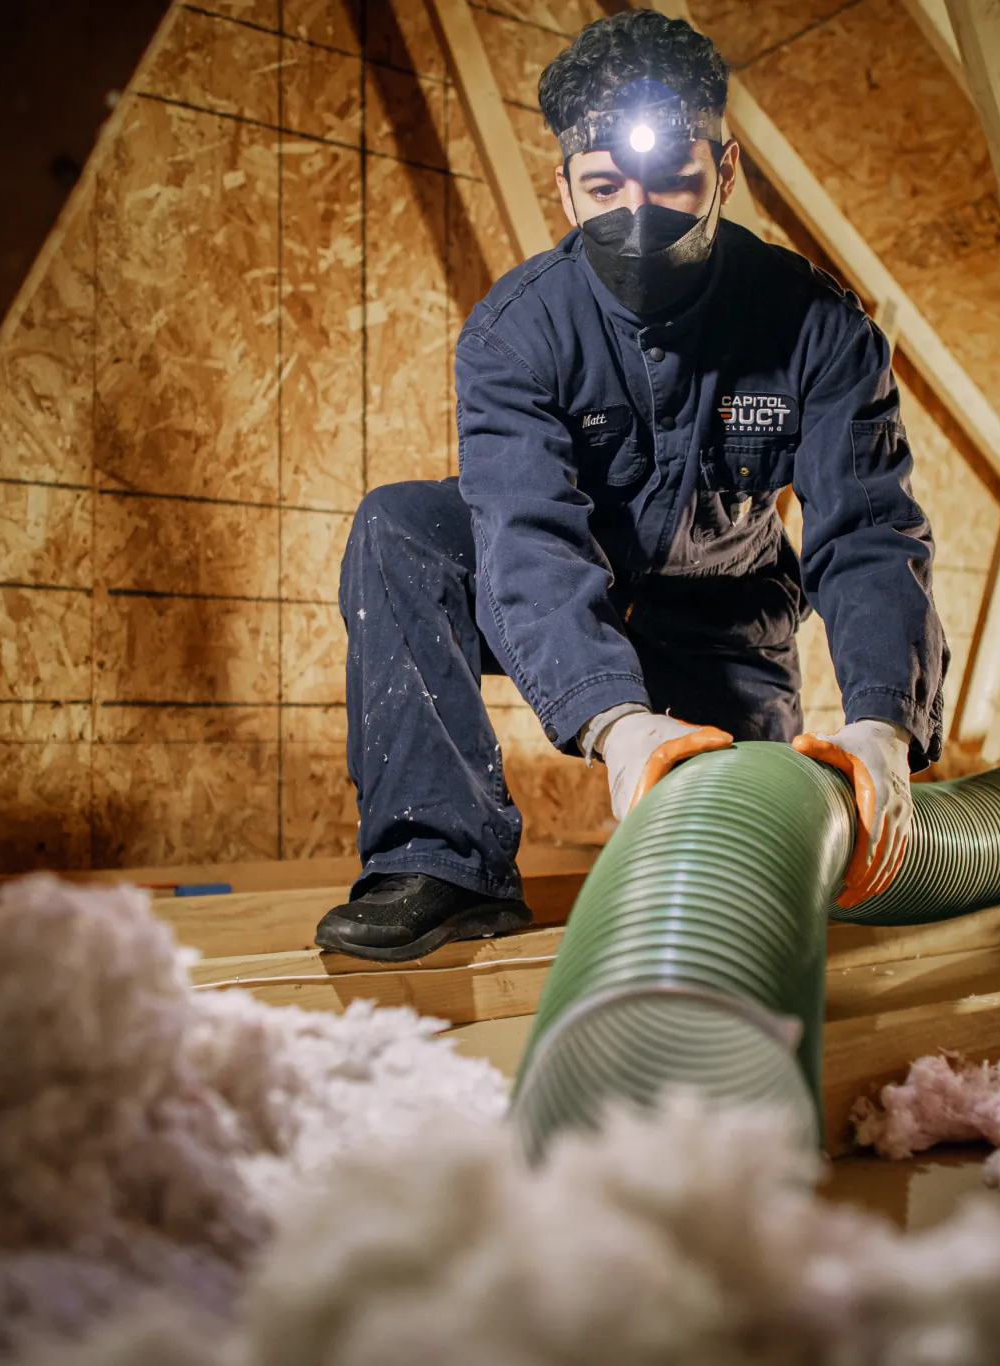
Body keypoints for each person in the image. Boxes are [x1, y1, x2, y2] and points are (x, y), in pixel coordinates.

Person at [315, 9, 948, 961]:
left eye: (676, 182)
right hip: (581, 603)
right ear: (564, 189)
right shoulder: (516, 332)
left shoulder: (816, 325)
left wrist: (883, 729)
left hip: (727, 623)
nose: (639, 214)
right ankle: (441, 862)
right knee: (403, 526)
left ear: (724, 172)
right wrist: (615, 724)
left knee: (741, 884)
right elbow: (525, 537)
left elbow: (867, 532)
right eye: (605, 186)